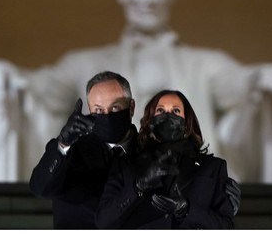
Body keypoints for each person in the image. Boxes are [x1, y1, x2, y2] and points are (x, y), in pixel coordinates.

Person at [0, 0, 272, 183]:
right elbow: (39, 87)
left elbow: (240, 84)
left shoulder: (203, 63)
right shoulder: (86, 62)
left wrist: (262, 75)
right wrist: (4, 71)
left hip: (186, 177)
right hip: (110, 180)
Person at [29, 71, 241, 229]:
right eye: (98, 110)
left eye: (115, 108)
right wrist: (63, 144)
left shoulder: (152, 153)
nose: (107, 115)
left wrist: (218, 204)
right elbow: (41, 188)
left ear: (131, 108)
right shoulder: (72, 149)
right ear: (89, 110)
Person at [96, 90, 234, 229]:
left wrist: (187, 210)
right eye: (160, 111)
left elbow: (226, 227)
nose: (168, 116)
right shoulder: (125, 164)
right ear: (150, 123)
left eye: (175, 111)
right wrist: (139, 185)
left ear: (187, 123)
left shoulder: (213, 167)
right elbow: (103, 220)